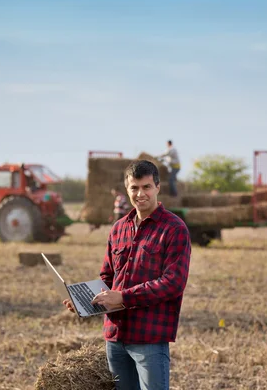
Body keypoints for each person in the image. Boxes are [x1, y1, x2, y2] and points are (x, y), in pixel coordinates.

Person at [62, 159, 192, 390]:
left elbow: (173, 283)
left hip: (149, 337)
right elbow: (107, 277)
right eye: (134, 188)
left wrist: (124, 297)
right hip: (115, 336)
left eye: (146, 187)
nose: (140, 194)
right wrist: (83, 301)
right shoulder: (119, 228)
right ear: (126, 188)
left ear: (157, 187)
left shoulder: (174, 228)